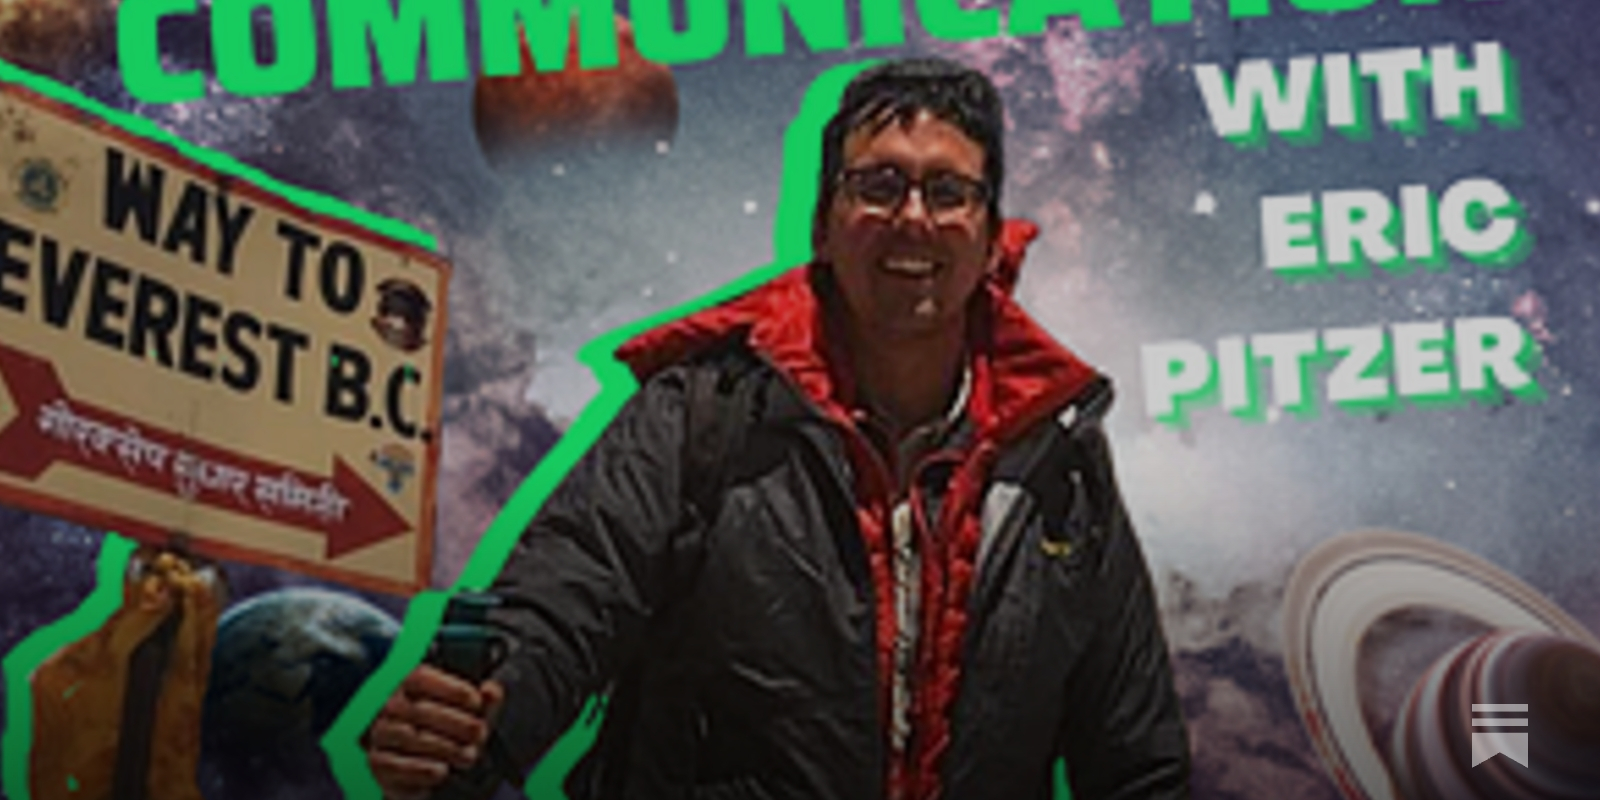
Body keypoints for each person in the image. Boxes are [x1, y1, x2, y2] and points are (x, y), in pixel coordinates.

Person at [365, 57, 1190, 800]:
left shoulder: (1058, 460)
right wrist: (468, 724)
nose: (913, 217)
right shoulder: (700, 414)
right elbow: (565, 601)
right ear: (822, 226)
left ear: (990, 241)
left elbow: (1136, 760)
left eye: (948, 192)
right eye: (879, 185)